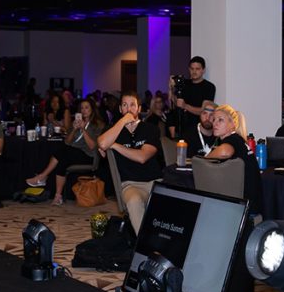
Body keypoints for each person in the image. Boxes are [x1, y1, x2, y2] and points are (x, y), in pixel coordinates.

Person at [97, 92, 163, 233]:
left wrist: (114, 145)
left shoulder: (150, 129)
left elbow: (142, 157)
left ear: (139, 109)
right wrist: (123, 121)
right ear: (120, 109)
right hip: (130, 185)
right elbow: (102, 143)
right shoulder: (113, 131)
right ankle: (143, 247)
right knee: (134, 201)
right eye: (125, 105)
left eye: (132, 105)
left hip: (154, 182)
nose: (129, 109)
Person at [26, 98, 106, 205]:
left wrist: (83, 129)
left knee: (63, 152)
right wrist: (74, 129)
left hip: (89, 155)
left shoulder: (98, 125)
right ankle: (58, 196)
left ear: (92, 109)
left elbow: (92, 146)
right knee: (62, 159)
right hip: (73, 152)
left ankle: (42, 176)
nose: (84, 110)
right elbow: (67, 142)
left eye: (87, 108)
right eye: (82, 108)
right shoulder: (77, 121)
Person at [204, 104, 261, 212]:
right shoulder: (238, 140)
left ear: (233, 125)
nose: (215, 123)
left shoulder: (232, 140)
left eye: (220, 120)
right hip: (250, 202)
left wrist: (204, 159)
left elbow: (225, 152)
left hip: (245, 206)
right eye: (214, 119)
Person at [171, 56, 216, 140]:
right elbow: (176, 103)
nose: (194, 71)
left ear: (203, 70)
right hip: (182, 128)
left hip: (200, 129)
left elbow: (203, 111)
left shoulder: (209, 87)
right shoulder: (184, 84)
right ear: (189, 69)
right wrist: (171, 88)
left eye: (197, 69)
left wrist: (185, 106)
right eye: (192, 69)